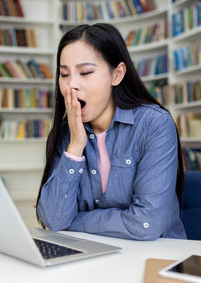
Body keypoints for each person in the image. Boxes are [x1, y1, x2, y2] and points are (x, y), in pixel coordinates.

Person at [35, 23, 186, 240]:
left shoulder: (155, 125)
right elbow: (53, 220)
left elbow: (146, 224)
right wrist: (76, 146)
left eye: (85, 72)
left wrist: (74, 222)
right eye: (64, 74)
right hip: (96, 256)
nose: (71, 85)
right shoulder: (68, 133)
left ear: (117, 74)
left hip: (156, 257)